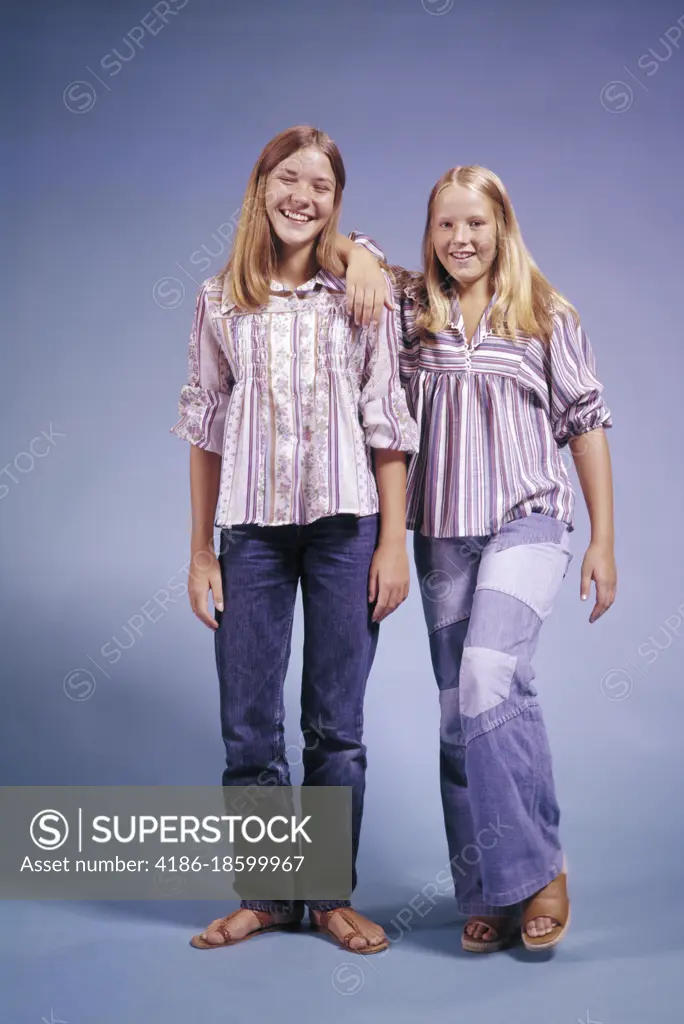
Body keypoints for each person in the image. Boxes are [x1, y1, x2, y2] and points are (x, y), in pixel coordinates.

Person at [170, 125, 418, 953]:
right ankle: (269, 898)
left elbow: (387, 422)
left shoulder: (361, 295)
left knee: (335, 725)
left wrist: (393, 543)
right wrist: (202, 550)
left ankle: (328, 897)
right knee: (248, 724)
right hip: (250, 534)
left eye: (319, 186)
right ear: (260, 187)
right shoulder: (219, 301)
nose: (301, 197)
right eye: (287, 179)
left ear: (335, 204)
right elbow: (204, 429)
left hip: (349, 529)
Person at [356, 164, 617, 953]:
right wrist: (365, 256)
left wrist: (603, 538)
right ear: (428, 233)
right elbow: (333, 250)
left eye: (475, 223)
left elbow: (586, 421)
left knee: (487, 679)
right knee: (453, 711)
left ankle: (539, 872)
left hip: (526, 519)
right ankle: (486, 891)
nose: (460, 239)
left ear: (501, 226)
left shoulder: (545, 313)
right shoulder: (411, 312)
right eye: (445, 225)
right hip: (441, 531)